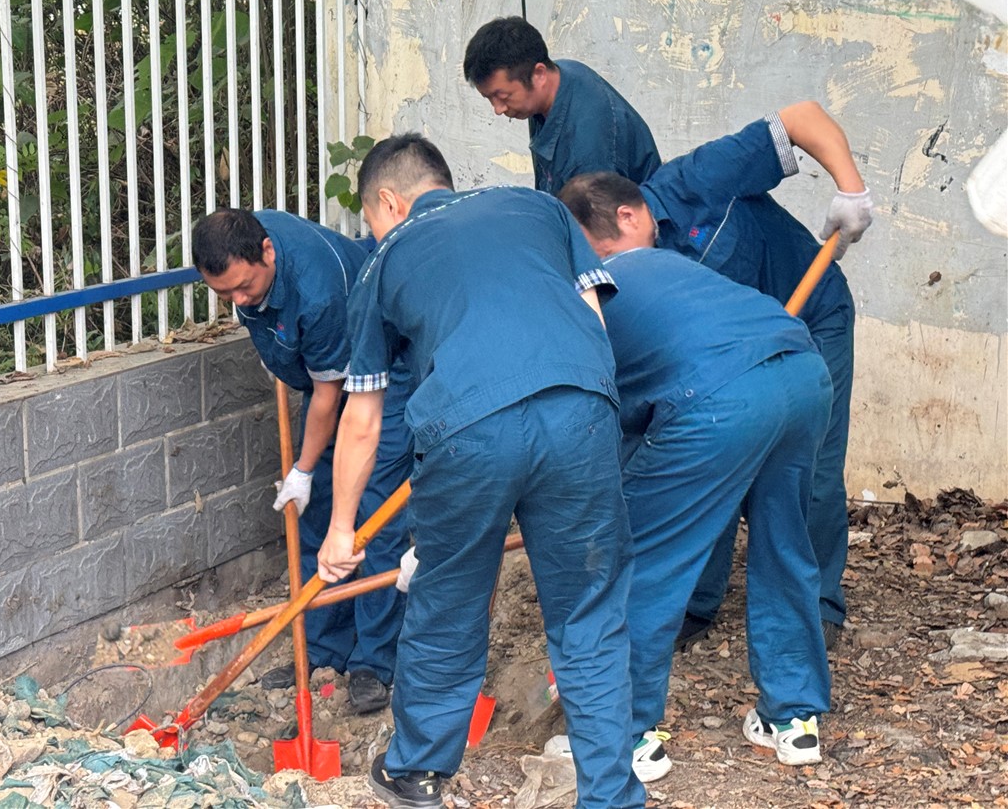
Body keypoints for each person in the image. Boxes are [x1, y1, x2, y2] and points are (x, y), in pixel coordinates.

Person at [316, 134, 645, 809]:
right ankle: (611, 795)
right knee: (589, 611)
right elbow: (592, 318)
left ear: (389, 202)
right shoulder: (539, 208)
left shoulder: (387, 259)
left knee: (448, 605)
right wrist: (590, 414)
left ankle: (417, 773)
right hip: (580, 407)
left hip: (467, 430)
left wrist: (341, 529)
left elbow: (364, 418)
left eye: (373, 221)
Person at [559, 171, 834, 780]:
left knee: (643, 562)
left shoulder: (589, 293)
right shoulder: (674, 266)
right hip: (802, 374)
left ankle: (624, 735)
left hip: (718, 401)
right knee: (785, 545)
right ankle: (793, 719)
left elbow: (592, 423)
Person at [624, 101, 874, 651]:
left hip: (811, 320)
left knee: (810, 468)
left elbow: (801, 118)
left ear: (627, 216)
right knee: (702, 458)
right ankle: (695, 601)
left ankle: (816, 605)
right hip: (732, 355)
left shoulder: (698, 180)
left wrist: (851, 190)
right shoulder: (626, 277)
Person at [191, 208, 412, 714]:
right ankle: (321, 648)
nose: (237, 300)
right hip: (326, 379)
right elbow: (318, 383)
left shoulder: (317, 292)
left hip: (385, 376)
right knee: (319, 518)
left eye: (244, 288)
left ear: (267, 252)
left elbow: (329, 397)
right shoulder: (242, 246)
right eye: (224, 294)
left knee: (370, 520)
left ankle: (374, 662)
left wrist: (303, 469)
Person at [462, 15, 660, 194]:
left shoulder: (588, 148)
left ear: (539, 74)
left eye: (504, 97)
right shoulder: (559, 75)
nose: (498, 109)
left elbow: (597, 220)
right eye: (489, 98)